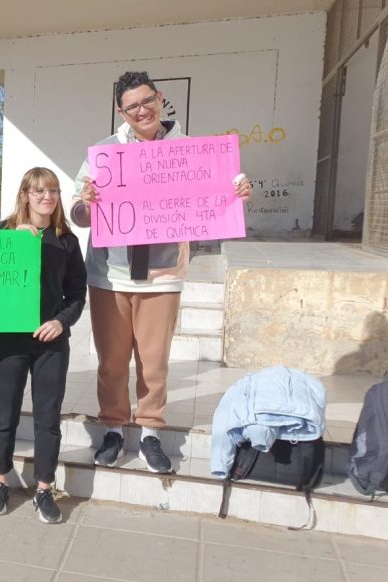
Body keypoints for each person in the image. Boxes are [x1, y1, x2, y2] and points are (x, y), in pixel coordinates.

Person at [70, 71, 252, 474]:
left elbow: (218, 196)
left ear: (160, 98)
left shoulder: (189, 152)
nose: (141, 110)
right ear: (121, 111)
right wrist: (88, 201)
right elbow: (78, 214)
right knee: (112, 362)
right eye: (132, 106)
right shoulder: (103, 153)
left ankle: (151, 431)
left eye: (147, 101)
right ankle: (114, 428)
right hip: (109, 275)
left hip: (163, 274)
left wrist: (235, 192)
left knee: (154, 363)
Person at [0, 168, 86, 523]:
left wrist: (61, 321)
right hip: (9, 340)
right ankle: (0, 481)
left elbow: (76, 293)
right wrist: (10, 241)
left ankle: (44, 487)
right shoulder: (2, 232)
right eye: (40, 191)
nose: (47, 197)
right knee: (4, 413)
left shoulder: (66, 240)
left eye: (54, 190)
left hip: (50, 340)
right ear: (25, 194)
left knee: (47, 417)